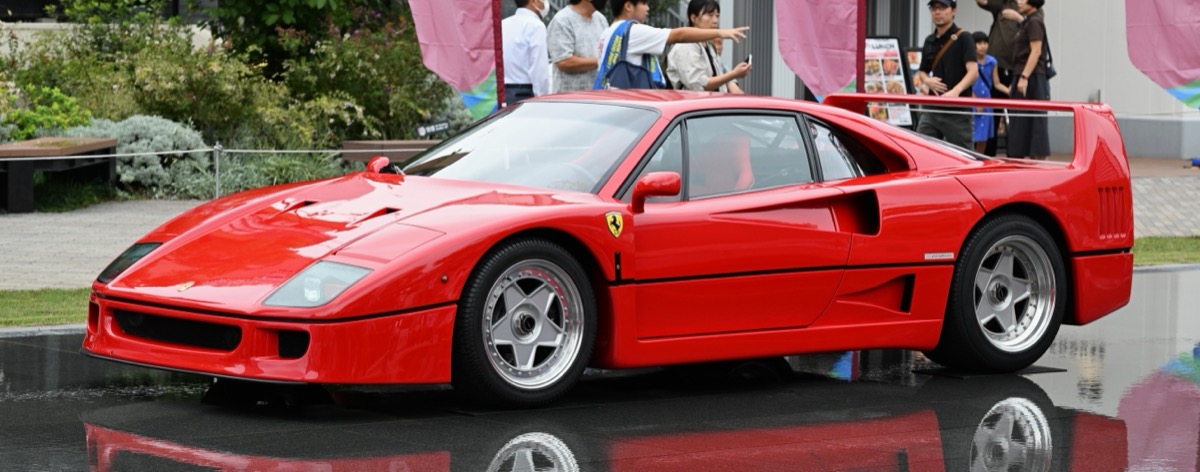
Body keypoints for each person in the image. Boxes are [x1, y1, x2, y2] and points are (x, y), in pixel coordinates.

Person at [594, 0, 748, 90]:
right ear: (628, 6)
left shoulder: (608, 33)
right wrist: (720, 33)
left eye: (717, 16)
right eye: (644, 3)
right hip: (630, 102)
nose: (648, 8)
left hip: (614, 97)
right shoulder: (634, 31)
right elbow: (678, 35)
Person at [915, 0, 979, 149]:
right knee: (921, 150)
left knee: (964, 155)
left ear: (954, 10)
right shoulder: (929, 41)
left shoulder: (964, 38)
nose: (937, 12)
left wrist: (955, 92)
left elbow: (973, 71)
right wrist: (927, 80)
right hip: (932, 109)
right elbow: (922, 70)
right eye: (933, 8)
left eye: (942, 7)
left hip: (958, 110)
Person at [666, 0, 751, 93]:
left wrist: (731, 80)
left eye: (717, 16)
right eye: (710, 15)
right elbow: (699, 85)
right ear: (693, 18)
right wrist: (733, 74)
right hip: (694, 106)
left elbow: (719, 75)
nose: (715, 21)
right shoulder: (685, 47)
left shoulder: (708, 45)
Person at [1007, 0, 1050, 160]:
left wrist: (1024, 76)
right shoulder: (1027, 21)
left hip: (1031, 77)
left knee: (1033, 123)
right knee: (1020, 122)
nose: (1018, 1)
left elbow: (1036, 51)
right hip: (1023, 74)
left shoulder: (1035, 21)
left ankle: (1036, 165)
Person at [547, 0, 609, 93]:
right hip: (571, 101)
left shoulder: (601, 20)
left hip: (599, 99)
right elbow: (564, 62)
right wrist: (602, 61)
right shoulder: (562, 20)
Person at [501, 0, 550, 106]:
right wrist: (543, 100)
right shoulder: (536, 26)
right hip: (525, 93)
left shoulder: (503, 24)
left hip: (502, 92)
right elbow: (539, 70)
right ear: (533, 1)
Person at [971, 31, 1008, 154]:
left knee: (983, 135)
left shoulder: (992, 62)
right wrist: (975, 101)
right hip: (972, 100)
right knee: (971, 133)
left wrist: (1009, 91)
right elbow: (966, 84)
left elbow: (996, 83)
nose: (983, 46)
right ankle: (969, 160)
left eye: (985, 43)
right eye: (979, 43)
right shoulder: (969, 61)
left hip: (987, 101)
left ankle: (979, 158)